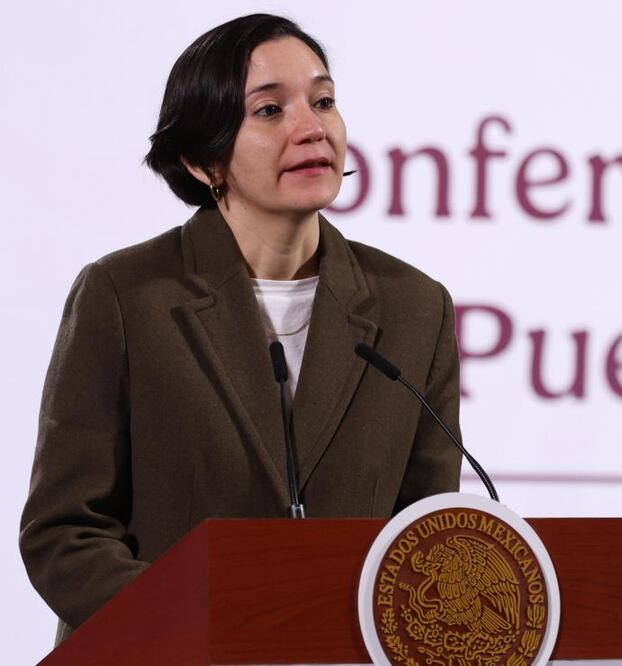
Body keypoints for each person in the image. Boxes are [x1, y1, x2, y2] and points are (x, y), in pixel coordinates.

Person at [19, 14, 463, 644]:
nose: (311, 128)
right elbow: (64, 533)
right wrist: (204, 622)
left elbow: (423, 539)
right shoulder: (125, 296)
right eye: (269, 110)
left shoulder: (416, 308)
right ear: (203, 158)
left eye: (324, 101)